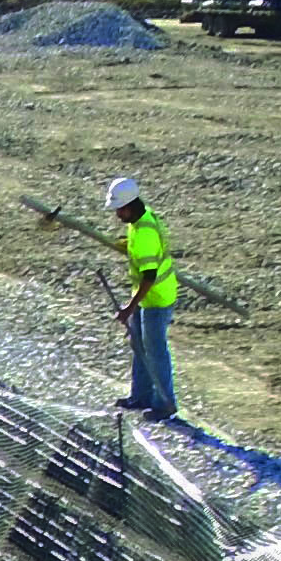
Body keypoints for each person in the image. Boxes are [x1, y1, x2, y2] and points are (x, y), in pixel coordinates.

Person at [108, 173, 178, 418]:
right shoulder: (139, 219)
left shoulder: (146, 232)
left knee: (155, 350)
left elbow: (149, 276)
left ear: (129, 206)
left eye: (119, 209)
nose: (117, 214)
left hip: (156, 297)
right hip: (146, 295)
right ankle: (141, 396)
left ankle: (164, 404)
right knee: (138, 344)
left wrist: (129, 307)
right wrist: (126, 243)